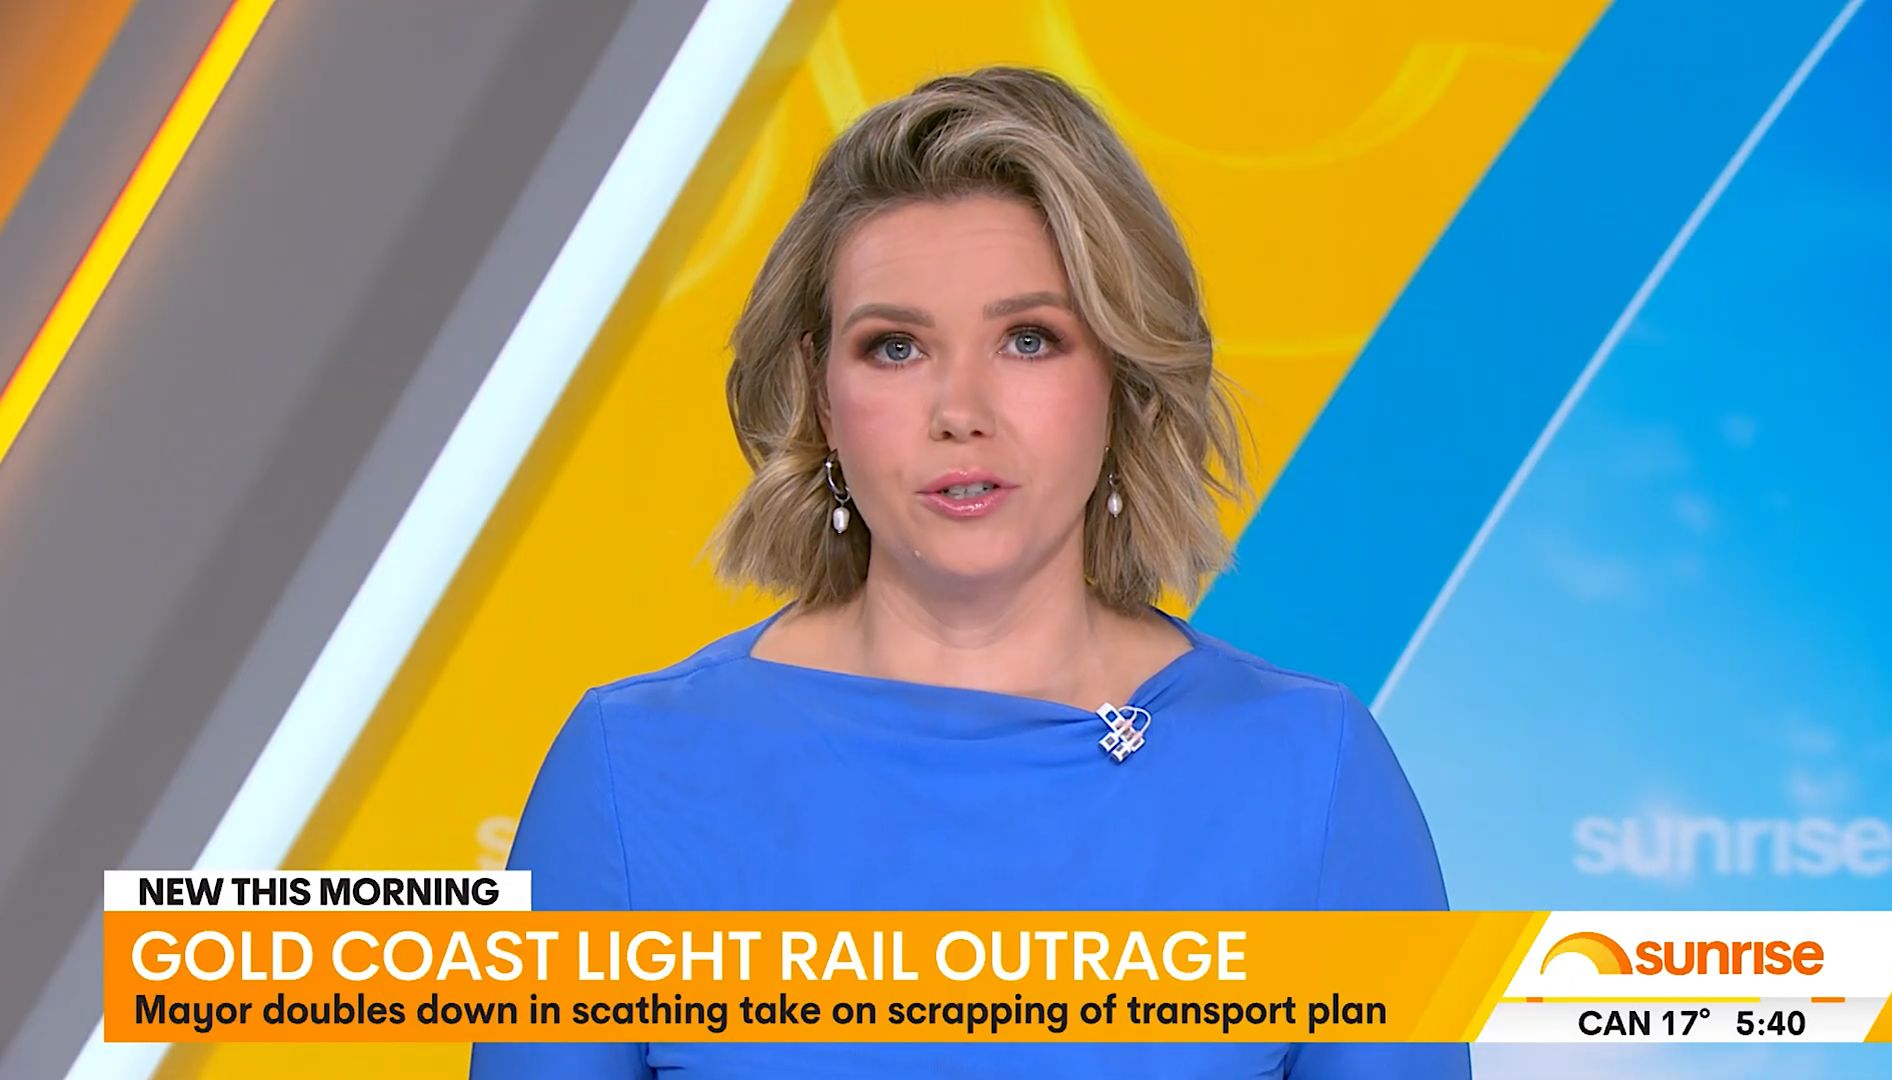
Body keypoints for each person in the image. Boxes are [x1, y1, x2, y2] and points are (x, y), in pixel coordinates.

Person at [471, 65, 1463, 1079]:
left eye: (1029, 340)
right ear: (820, 393)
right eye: (895, 347)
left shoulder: (1311, 770)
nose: (960, 411)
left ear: (1122, 378)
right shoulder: (627, 772)